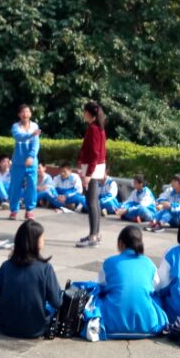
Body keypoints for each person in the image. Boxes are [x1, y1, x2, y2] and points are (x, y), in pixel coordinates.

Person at [0, 220, 63, 338]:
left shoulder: (6, 266)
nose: (44, 240)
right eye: (42, 238)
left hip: (6, 326)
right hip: (35, 328)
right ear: (35, 242)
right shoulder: (45, 268)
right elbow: (57, 301)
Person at [96, 226, 168, 339]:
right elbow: (157, 286)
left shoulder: (109, 262)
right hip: (149, 325)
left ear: (120, 243)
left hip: (111, 325)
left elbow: (99, 285)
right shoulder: (149, 263)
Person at [76, 100, 107, 248]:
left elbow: (94, 153)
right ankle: (95, 233)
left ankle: (93, 236)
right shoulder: (98, 127)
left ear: (89, 113)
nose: (83, 114)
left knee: (91, 203)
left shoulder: (94, 129)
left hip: (92, 169)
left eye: (85, 112)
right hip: (95, 168)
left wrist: (88, 174)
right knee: (95, 202)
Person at [9, 104, 41, 220]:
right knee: (15, 187)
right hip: (18, 163)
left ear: (30, 114)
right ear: (19, 114)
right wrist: (31, 134)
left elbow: (36, 144)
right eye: (22, 112)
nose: (25, 114)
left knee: (31, 186)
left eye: (27, 112)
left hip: (31, 163)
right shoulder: (15, 126)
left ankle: (29, 210)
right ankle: (14, 210)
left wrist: (31, 157)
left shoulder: (35, 126)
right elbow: (19, 137)